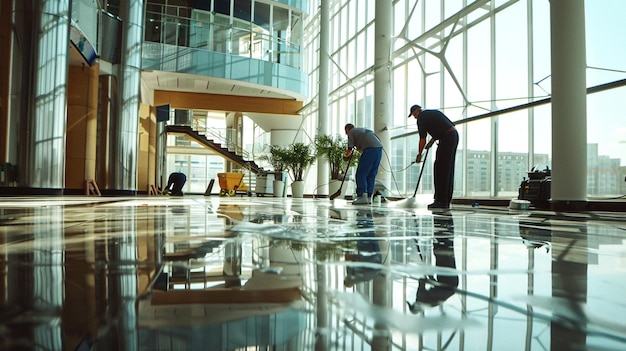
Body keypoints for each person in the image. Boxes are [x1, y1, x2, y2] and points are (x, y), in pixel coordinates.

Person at [408, 104, 459, 209]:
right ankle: (445, 201)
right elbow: (444, 126)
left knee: (440, 169)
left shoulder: (421, 118)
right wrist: (433, 140)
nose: (414, 117)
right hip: (453, 136)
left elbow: (422, 138)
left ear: (417, 111)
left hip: (446, 138)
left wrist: (419, 154)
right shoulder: (433, 113)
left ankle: (440, 201)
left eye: (413, 114)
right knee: (447, 169)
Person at [344, 123, 383, 205]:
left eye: (346, 132)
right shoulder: (362, 130)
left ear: (347, 129)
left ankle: (362, 196)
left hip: (370, 149)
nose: (346, 134)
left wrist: (345, 156)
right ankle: (369, 197)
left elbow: (349, 149)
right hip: (379, 149)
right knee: (371, 174)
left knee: (361, 173)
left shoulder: (351, 132)